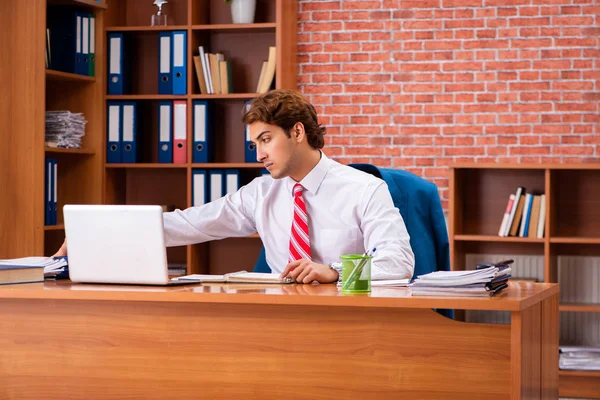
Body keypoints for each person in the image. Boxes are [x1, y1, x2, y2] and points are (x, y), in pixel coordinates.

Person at [54, 89, 415, 284]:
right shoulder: (261, 192)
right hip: (280, 318)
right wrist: (102, 232)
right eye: (254, 144)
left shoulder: (364, 189)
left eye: (266, 140)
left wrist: (334, 271)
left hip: (347, 317)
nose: (259, 154)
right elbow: (191, 223)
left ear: (298, 132)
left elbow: (398, 262)